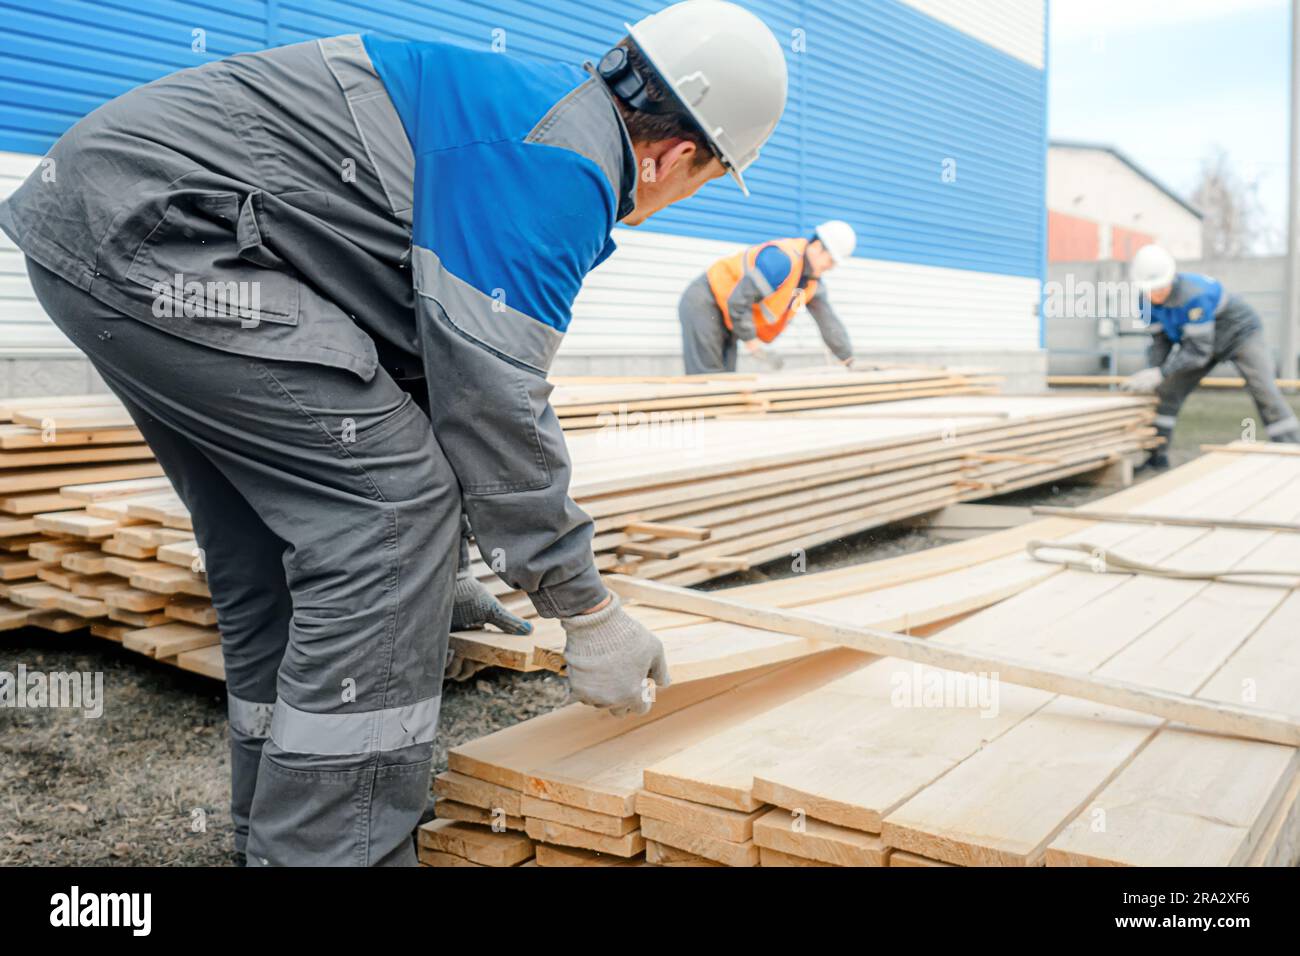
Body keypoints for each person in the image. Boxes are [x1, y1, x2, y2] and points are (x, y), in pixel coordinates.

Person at [0, 1, 787, 865]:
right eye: (706, 181)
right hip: (167, 241)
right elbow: (492, 402)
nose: (685, 196)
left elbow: (421, 369)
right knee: (388, 512)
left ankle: (272, 840)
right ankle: (336, 855)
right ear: (677, 155)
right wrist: (583, 607)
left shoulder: (522, 113)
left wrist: (438, 581)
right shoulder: (559, 165)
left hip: (105, 226)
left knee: (276, 541)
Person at [1123, 244, 1300, 467]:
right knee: (1168, 391)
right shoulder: (1144, 303)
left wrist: (1161, 371)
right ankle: (1156, 455)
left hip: (1240, 335)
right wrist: (1153, 372)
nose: (1154, 295)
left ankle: (1292, 451)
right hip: (1199, 343)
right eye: (1148, 290)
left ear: (1171, 278)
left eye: (1159, 288)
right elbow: (1161, 342)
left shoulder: (1194, 295)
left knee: (1265, 390)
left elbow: (1198, 352)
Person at [678, 219, 857, 373]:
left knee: (725, 381)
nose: (831, 267)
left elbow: (828, 322)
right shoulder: (781, 260)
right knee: (708, 379)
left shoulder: (812, 283)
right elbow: (739, 300)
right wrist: (751, 340)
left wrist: (848, 359)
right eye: (831, 260)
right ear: (817, 247)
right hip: (706, 300)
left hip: (726, 313)